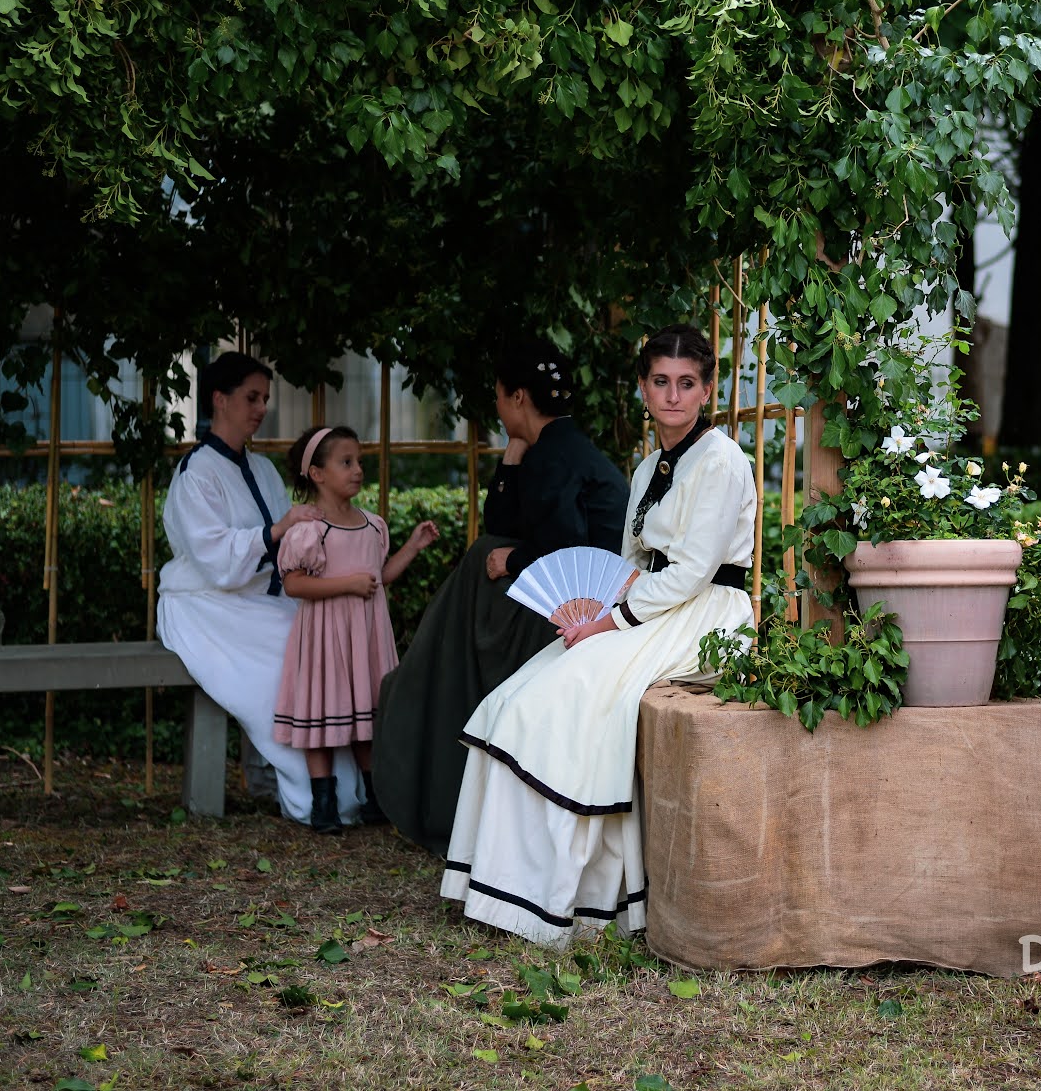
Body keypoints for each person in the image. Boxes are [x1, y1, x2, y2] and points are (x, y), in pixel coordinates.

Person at [440, 324, 755, 944]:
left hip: (705, 612)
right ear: (643, 388)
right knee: (520, 694)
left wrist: (611, 621)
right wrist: (596, 604)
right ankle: (519, 886)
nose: (672, 396)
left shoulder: (721, 459)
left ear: (707, 389)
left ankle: (574, 894)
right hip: (648, 606)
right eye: (660, 382)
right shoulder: (646, 469)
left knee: (574, 692)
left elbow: (691, 573)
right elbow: (630, 563)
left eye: (686, 383)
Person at [370, 339, 629, 854]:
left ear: (515, 396)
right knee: (480, 559)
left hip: (582, 612)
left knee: (481, 565)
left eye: (497, 396)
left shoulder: (557, 454)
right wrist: (513, 455)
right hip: (569, 602)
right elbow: (506, 523)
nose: (496, 407)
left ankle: (434, 704)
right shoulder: (554, 447)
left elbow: (562, 541)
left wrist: (510, 560)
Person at [157, 351, 365, 827]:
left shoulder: (264, 469)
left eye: (265, 399)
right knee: (292, 651)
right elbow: (214, 559)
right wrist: (277, 531)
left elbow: (290, 545)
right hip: (203, 605)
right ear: (219, 399)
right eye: (251, 397)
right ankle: (313, 794)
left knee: (320, 640)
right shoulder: (196, 473)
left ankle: (344, 789)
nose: (261, 408)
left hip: (257, 600)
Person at [274, 424, 441, 832]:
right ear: (316, 473)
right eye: (345, 462)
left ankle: (374, 799)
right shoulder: (310, 532)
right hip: (326, 637)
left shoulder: (371, 525)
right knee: (323, 718)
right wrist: (345, 585)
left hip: (365, 635)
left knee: (366, 719)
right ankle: (323, 804)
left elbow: (378, 577)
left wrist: (412, 547)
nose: (357, 470)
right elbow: (293, 584)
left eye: (359, 462)